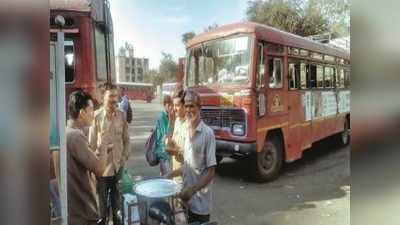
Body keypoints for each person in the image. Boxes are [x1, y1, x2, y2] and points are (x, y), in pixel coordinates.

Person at [166, 90, 217, 223]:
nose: (188, 110)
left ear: (199, 108)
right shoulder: (187, 130)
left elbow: (211, 171)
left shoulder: (208, 134)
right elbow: (188, 165)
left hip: (200, 203)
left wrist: (192, 190)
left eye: (192, 106)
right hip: (186, 200)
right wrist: (168, 176)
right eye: (187, 106)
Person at [66, 90, 110, 225]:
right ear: (82, 112)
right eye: (91, 109)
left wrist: (96, 153)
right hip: (83, 213)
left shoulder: (68, 132)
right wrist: (104, 142)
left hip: (75, 210)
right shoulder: (76, 137)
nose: (93, 114)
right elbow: (100, 169)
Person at [89, 84, 131, 225]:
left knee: (118, 209)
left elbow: (126, 140)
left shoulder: (121, 115)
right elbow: (91, 146)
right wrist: (101, 153)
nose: (115, 99)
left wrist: (124, 157)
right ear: (102, 98)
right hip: (102, 172)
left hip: (118, 168)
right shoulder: (96, 117)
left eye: (116, 96)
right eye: (111, 96)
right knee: (102, 212)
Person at [155, 95, 174, 176]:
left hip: (170, 151)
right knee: (167, 177)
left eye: (172, 105)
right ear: (165, 105)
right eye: (169, 105)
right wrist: (170, 121)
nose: (171, 107)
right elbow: (165, 136)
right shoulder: (161, 117)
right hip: (163, 152)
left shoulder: (173, 115)